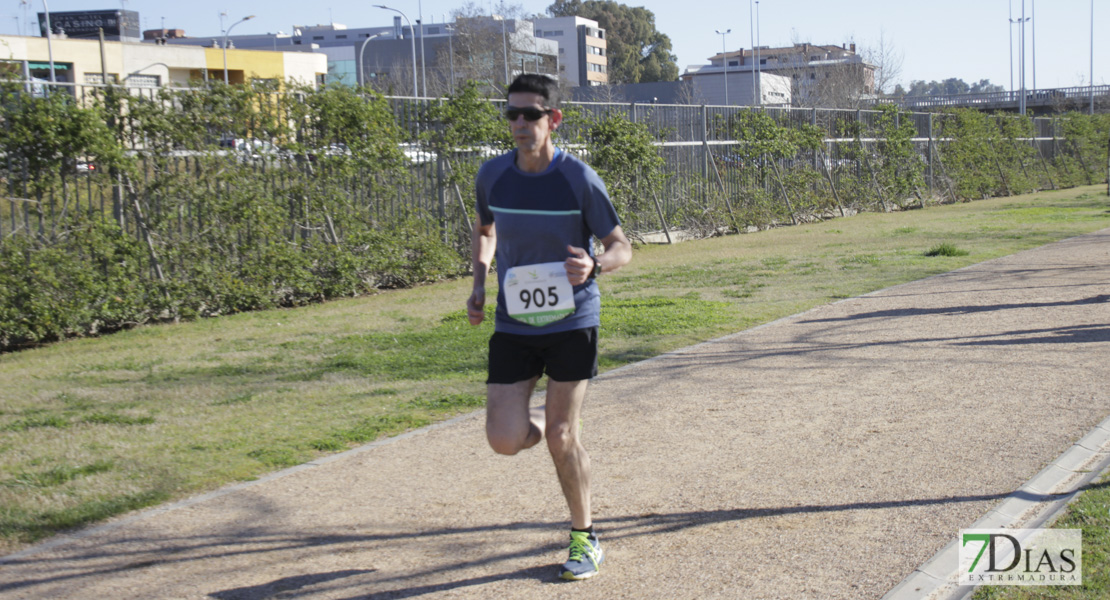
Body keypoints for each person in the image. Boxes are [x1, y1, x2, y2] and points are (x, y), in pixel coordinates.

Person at [467, 73, 632, 581]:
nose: (519, 123)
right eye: (511, 114)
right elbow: (486, 231)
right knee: (505, 438)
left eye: (531, 114)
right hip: (515, 322)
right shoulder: (492, 175)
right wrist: (478, 282)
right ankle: (543, 426)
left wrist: (596, 265)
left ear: (553, 119)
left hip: (572, 320)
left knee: (563, 434)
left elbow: (622, 246)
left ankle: (585, 537)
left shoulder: (578, 178)